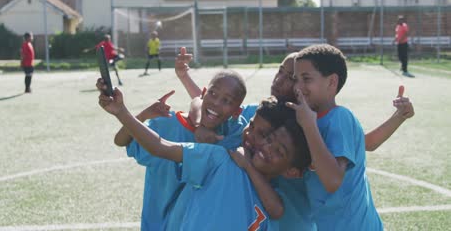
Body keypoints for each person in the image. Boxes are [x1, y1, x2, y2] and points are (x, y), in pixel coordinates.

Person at [175, 49, 414, 230]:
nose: (284, 80)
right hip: (273, 217)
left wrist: (398, 118)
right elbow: (215, 103)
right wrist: (197, 121)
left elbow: (361, 146)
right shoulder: (266, 113)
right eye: (283, 71)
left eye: (297, 77)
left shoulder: (314, 120)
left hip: (304, 219)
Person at [97, 88, 311, 230]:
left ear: (291, 171)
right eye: (267, 138)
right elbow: (160, 146)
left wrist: (248, 165)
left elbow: (276, 209)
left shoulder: (272, 196)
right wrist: (122, 112)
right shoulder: (221, 158)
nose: (264, 145)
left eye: (277, 148)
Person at [101, 69, 248, 230]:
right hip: (158, 223)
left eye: (227, 101)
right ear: (203, 93)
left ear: (236, 111)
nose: (216, 103)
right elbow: (121, 141)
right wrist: (142, 115)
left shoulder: (233, 137)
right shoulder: (166, 124)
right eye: (213, 93)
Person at [286, 44, 383, 230]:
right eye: (295, 79)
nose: (298, 87)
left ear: (331, 82)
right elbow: (367, 143)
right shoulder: (310, 120)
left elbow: (332, 181)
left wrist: (308, 126)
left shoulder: (339, 118)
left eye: (306, 79)